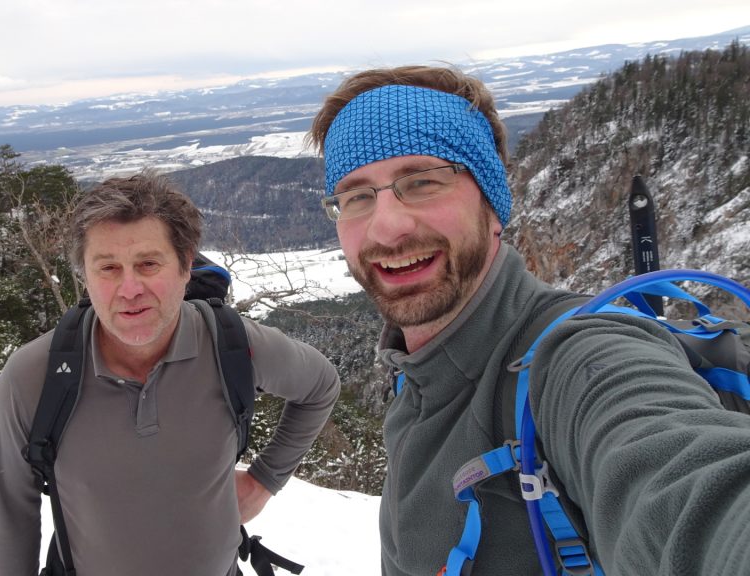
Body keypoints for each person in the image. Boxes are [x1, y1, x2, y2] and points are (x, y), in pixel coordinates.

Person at [307, 66, 750, 575]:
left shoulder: (578, 357)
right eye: (357, 196)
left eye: (423, 181)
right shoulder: (414, 374)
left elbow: (683, 485)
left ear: (493, 207)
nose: (386, 227)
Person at [0, 172, 340, 576]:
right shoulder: (36, 375)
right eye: (108, 268)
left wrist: (264, 480)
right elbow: (12, 513)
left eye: (148, 264)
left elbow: (320, 385)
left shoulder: (230, 345)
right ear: (84, 274)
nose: (129, 288)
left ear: (186, 265)